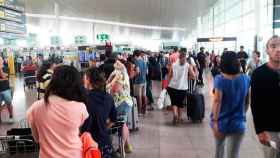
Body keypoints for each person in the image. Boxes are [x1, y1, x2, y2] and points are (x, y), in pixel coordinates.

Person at [27, 65, 89, 158]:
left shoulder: (35, 108)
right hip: (75, 154)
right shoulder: (80, 107)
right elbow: (76, 130)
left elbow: (37, 138)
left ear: (53, 82)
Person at [210, 51, 250, 158]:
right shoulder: (246, 79)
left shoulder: (219, 80)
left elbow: (217, 101)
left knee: (219, 151)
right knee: (233, 155)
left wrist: (215, 122)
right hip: (238, 123)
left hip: (221, 122)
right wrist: (242, 114)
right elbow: (247, 101)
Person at [250, 35, 280, 158]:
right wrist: (260, 130)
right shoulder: (258, 74)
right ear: (267, 50)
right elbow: (255, 104)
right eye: (273, 46)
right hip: (269, 129)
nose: (278, 49)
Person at [82, 67, 117, 158]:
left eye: (85, 78)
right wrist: (102, 127)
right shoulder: (108, 97)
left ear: (89, 80)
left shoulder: (84, 98)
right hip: (105, 142)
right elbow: (114, 119)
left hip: (88, 144)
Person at [106, 60, 133, 153]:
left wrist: (109, 85)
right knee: (123, 123)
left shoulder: (119, 74)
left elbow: (116, 88)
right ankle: (126, 146)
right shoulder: (123, 73)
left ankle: (121, 148)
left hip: (120, 102)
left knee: (117, 123)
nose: (115, 64)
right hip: (125, 102)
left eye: (117, 63)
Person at [167, 51, 195, 125]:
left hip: (172, 86)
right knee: (180, 103)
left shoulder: (174, 65)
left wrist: (167, 85)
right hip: (182, 88)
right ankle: (179, 118)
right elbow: (193, 76)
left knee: (174, 102)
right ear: (185, 58)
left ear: (179, 58)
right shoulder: (187, 65)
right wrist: (187, 77)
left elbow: (169, 75)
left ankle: (175, 114)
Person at [133, 50, 148, 115]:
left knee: (139, 97)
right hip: (144, 80)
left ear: (135, 55)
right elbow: (147, 71)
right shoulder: (143, 61)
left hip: (138, 81)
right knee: (144, 96)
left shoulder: (136, 61)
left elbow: (137, 71)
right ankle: (144, 110)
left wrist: (132, 75)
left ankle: (139, 112)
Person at [0, 57, 13, 123]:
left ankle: (11, 116)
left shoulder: (6, 68)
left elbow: (5, 77)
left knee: (8, 103)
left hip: (6, 89)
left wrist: (0, 69)